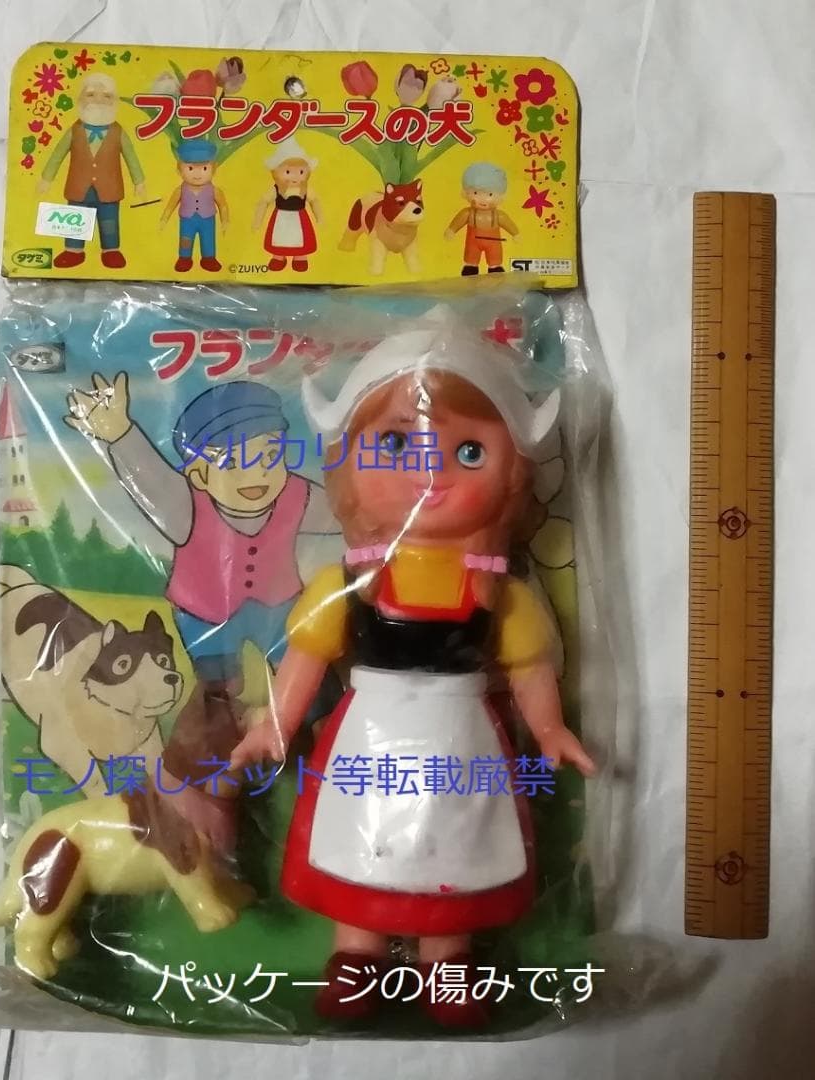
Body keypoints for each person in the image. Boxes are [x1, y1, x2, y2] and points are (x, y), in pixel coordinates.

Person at [231, 317, 596, 1027]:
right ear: (350, 466)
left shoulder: (498, 590)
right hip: (369, 731)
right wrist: (273, 725)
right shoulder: (350, 583)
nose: (431, 472)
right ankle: (356, 957)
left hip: (462, 735)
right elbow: (306, 656)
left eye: (468, 450)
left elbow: (529, 664)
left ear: (511, 473)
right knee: (361, 840)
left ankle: (448, 963)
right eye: (396, 444)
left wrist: (550, 729)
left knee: (456, 846)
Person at [64, 373, 339, 853]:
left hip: (279, 604)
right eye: (231, 462)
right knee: (218, 692)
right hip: (207, 612)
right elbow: (148, 477)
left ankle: (330, 756)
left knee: (314, 686)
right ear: (199, 474)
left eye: (268, 456)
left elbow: (349, 513)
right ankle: (205, 790)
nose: (254, 474)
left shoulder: (298, 496)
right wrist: (118, 433)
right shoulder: (183, 507)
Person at [37, 73, 146, 269]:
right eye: (90, 94)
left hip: (109, 188)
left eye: (107, 96)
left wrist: (139, 181)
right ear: (79, 99)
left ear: (115, 102)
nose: (98, 100)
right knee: (75, 220)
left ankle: (111, 250)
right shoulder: (74, 130)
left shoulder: (118, 132)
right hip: (79, 187)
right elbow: (57, 155)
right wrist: (47, 178)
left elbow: (132, 158)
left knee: (109, 221)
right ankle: (73, 251)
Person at [252, 137, 323, 272]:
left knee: (301, 238)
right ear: (275, 173)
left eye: (301, 172)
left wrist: (320, 217)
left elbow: (315, 201)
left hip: (300, 218)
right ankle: (279, 256)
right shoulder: (276, 189)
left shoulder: (305, 190)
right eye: (288, 172)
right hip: (280, 219)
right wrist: (257, 221)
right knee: (279, 238)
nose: (295, 177)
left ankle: (300, 257)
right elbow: (263, 202)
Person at [160, 139, 229, 273]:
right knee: (186, 239)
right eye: (190, 168)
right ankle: (184, 258)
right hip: (187, 220)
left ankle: (208, 258)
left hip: (207, 220)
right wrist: (164, 219)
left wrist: (225, 220)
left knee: (208, 239)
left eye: (204, 168)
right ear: (179, 170)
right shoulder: (180, 190)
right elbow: (170, 205)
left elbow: (223, 206)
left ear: (213, 169)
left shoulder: (215, 190)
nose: (197, 174)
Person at [444, 161, 519, 275]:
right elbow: (459, 220)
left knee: (495, 263)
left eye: (490, 194)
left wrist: (515, 234)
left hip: (494, 244)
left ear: (500, 196)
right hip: (473, 243)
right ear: (466, 193)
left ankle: (494, 270)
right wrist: (452, 230)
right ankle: (471, 270)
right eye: (475, 193)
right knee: (471, 263)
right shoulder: (468, 214)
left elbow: (508, 223)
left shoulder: (498, 216)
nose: (482, 199)